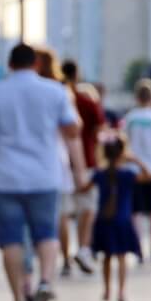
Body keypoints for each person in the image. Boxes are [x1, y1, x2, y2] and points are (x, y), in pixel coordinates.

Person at [0, 44, 85, 301]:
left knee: (11, 241)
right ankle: (45, 280)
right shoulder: (54, 92)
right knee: (46, 234)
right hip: (45, 176)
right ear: (35, 64)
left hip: (8, 177)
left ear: (9, 65)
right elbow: (73, 129)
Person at [34, 49, 95, 277]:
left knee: (59, 215)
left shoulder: (38, 93)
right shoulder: (62, 93)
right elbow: (74, 136)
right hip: (61, 165)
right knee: (85, 209)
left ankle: (64, 259)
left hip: (39, 168)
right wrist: (80, 170)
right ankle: (79, 251)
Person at [84, 136, 150, 301]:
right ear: (123, 153)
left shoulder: (100, 174)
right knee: (122, 258)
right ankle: (121, 292)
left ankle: (106, 290)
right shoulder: (128, 174)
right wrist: (135, 159)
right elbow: (148, 176)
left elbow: (84, 188)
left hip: (104, 221)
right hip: (123, 221)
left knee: (106, 257)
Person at [62, 61, 106, 266]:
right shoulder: (87, 102)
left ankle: (65, 258)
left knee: (62, 212)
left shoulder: (56, 99)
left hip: (60, 163)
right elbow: (99, 132)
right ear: (77, 74)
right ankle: (82, 248)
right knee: (87, 209)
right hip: (86, 161)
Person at [122, 78, 151, 261]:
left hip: (134, 169)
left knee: (135, 211)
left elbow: (123, 144)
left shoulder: (130, 118)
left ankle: (138, 247)